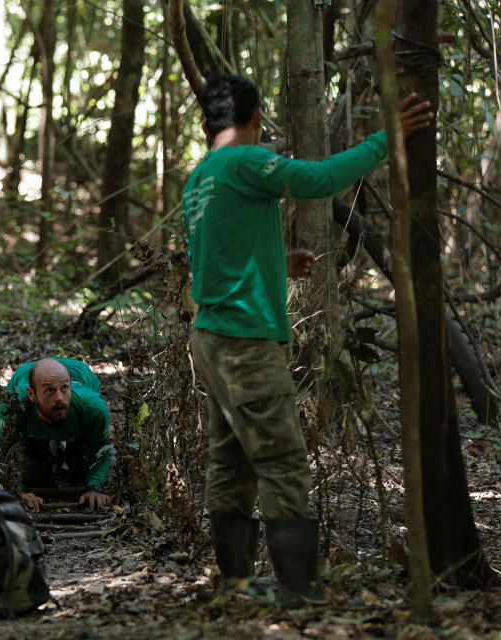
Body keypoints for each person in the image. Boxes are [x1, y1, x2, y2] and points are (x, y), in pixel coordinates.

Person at [182, 74, 433, 607]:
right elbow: (319, 179)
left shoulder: (201, 175)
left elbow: (219, 251)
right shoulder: (244, 159)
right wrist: (386, 138)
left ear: (208, 124)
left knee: (231, 461)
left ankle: (236, 581)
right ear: (255, 121)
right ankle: (299, 590)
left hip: (211, 337)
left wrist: (278, 260)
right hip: (245, 343)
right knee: (282, 462)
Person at [0, 357, 115, 512]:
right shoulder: (16, 403)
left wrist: (95, 487)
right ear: (32, 394)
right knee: (36, 478)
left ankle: (70, 449)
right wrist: (17, 490)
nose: (59, 398)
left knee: (81, 476)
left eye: (64, 388)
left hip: (79, 377)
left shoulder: (92, 407)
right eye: (49, 391)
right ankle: (49, 451)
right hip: (31, 408)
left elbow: (101, 449)